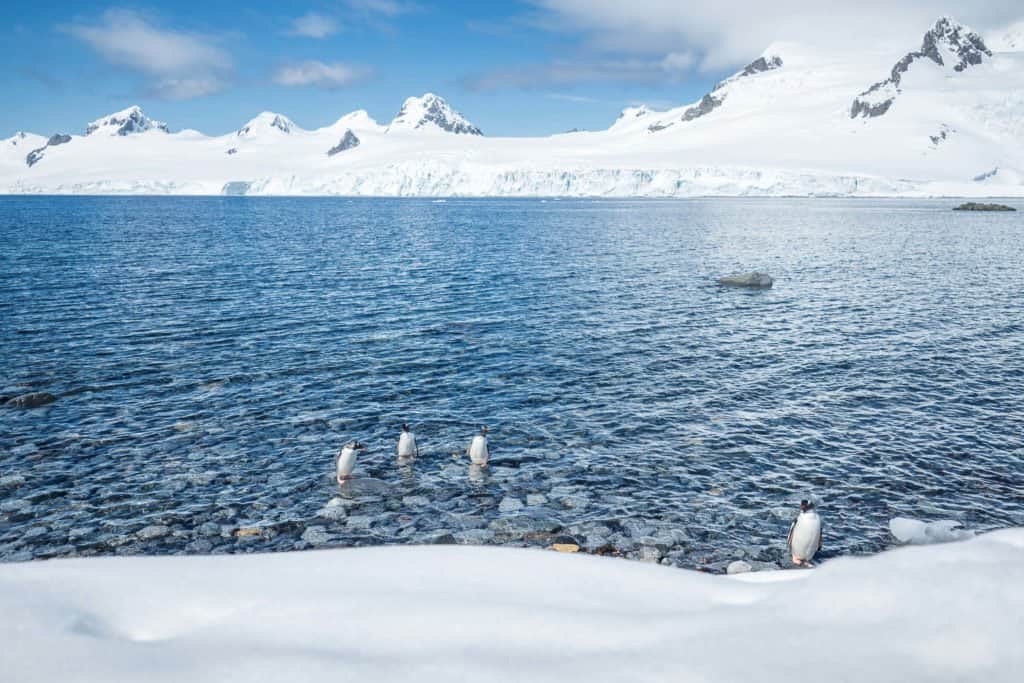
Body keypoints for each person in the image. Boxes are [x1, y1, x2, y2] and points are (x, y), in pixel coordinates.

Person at [787, 500, 823, 566]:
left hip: (809, 555)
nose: (801, 507)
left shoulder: (815, 518)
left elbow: (820, 534)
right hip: (796, 553)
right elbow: (791, 532)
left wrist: (819, 543)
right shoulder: (800, 518)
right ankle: (795, 557)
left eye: (804, 505)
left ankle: (806, 559)